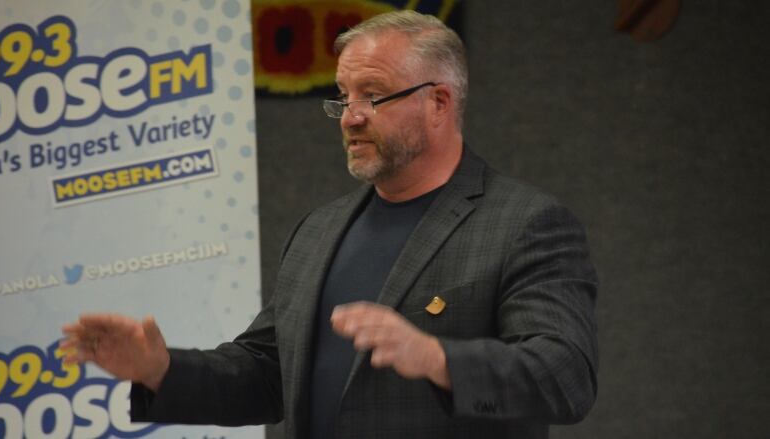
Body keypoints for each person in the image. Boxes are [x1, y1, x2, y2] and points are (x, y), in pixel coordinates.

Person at [61, 10, 598, 439]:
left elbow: (564, 375)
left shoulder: (524, 223)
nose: (350, 116)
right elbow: (268, 374)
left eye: (372, 95)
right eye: (343, 97)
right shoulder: (319, 231)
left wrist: (436, 358)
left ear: (438, 102)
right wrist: (160, 369)